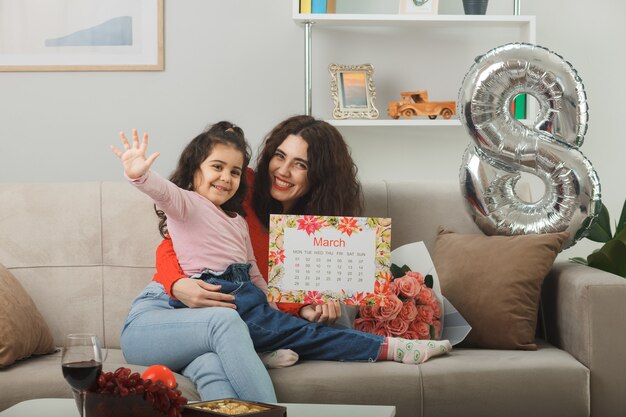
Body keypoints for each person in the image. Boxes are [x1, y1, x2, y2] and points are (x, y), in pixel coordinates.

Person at [114, 122, 451, 381]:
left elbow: (269, 297)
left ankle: (258, 354)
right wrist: (178, 284)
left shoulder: (328, 229)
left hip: (245, 311)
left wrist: (309, 309)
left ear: (319, 175)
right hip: (180, 296)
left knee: (218, 362)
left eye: (300, 164)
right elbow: (172, 241)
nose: (282, 171)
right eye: (279, 156)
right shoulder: (238, 185)